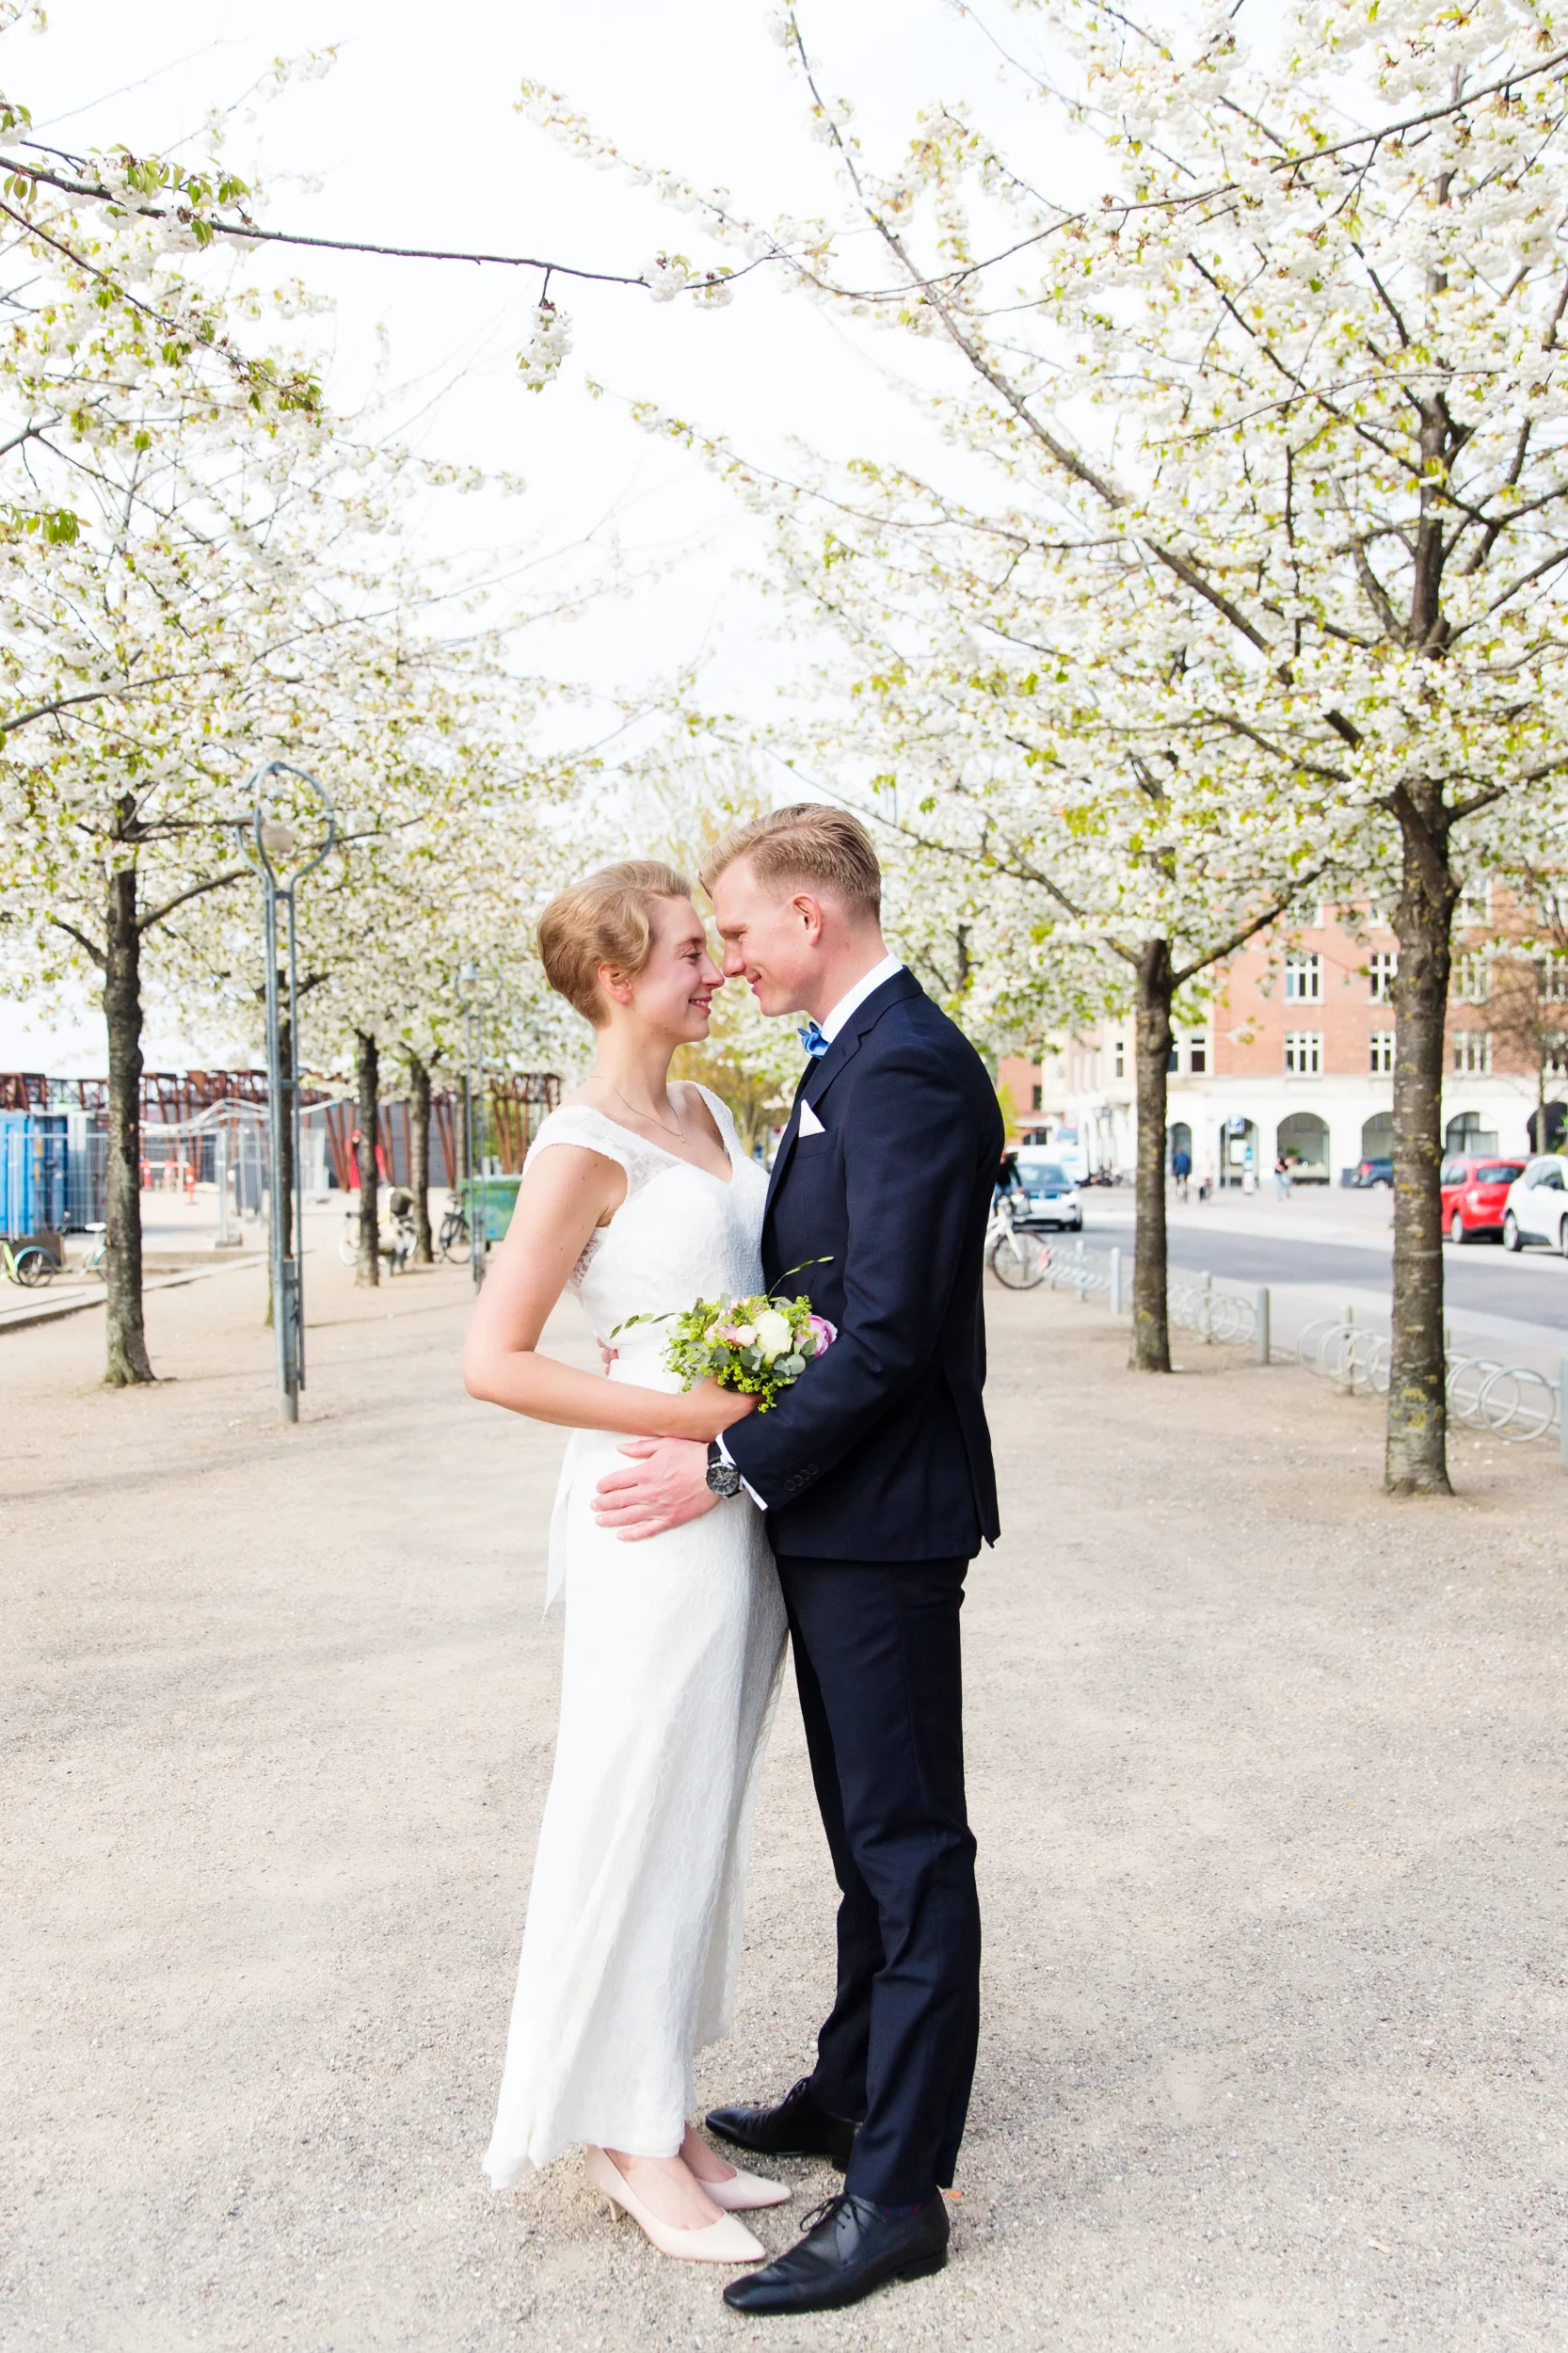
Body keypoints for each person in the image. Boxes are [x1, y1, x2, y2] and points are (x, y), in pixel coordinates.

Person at [591, 807, 1002, 2317]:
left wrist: (723, 1462)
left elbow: (888, 1334)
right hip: (839, 1515)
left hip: (883, 1516)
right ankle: (845, 2090)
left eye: (743, 930)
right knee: (860, 1840)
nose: (735, 959)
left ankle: (898, 2191)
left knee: (908, 1849)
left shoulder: (902, 1066)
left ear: (810, 921)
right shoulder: (849, 1055)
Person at [463, 861, 791, 2268]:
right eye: (683, 953)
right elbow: (493, 1360)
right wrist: (690, 1420)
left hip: (735, 1503)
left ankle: (663, 2099)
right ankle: (618, 2129)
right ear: (613, 978)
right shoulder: (581, 1144)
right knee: (633, 1797)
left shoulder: (710, 1112)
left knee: (702, 1808)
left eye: (713, 948)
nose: (714, 969)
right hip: (654, 1513)